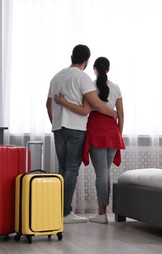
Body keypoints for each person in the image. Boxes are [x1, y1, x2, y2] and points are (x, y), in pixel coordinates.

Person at [46, 45, 117, 224]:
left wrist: (55, 123)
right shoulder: (81, 77)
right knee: (71, 169)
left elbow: (47, 105)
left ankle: (59, 210)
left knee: (62, 168)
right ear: (86, 61)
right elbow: (96, 105)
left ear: (72, 56)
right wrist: (113, 114)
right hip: (75, 129)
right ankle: (66, 212)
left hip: (58, 128)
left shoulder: (56, 77)